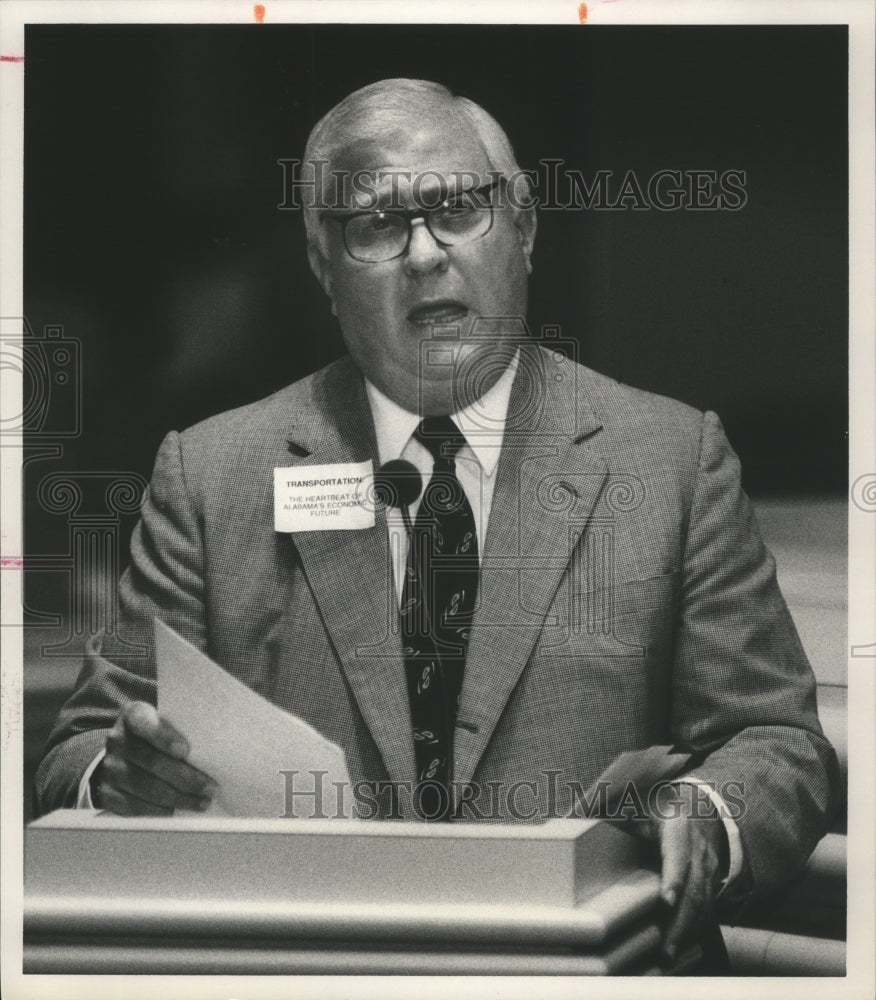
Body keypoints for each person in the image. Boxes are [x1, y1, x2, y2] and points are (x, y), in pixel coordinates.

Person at [34, 78, 838, 965]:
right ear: (321, 263)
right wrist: (118, 775)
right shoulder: (211, 473)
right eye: (376, 225)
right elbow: (77, 753)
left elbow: (776, 741)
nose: (423, 254)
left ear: (524, 230)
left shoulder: (671, 460)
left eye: (457, 210)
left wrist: (712, 812)